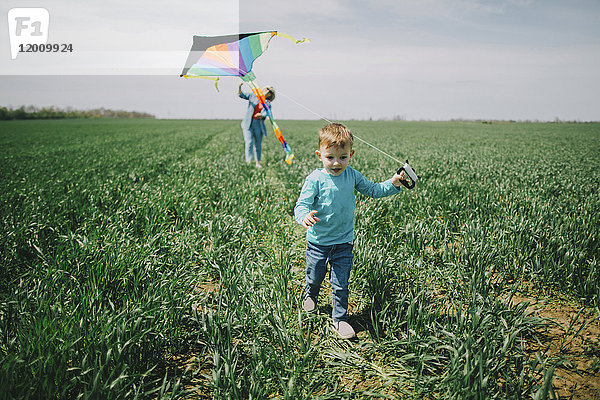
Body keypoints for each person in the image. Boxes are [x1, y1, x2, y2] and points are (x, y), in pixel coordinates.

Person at [294, 123, 407, 339]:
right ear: (320, 155)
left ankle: (340, 319)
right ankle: (311, 295)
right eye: (330, 158)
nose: (336, 163)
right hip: (318, 242)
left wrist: (393, 183)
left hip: (344, 242)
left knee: (340, 283)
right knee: (315, 276)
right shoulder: (315, 179)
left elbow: (373, 190)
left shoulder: (352, 176)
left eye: (343, 157)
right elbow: (301, 205)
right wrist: (304, 216)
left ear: (351, 154)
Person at [238, 83, 275, 168]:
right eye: (267, 89)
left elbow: (266, 114)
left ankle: (258, 162)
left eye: (269, 91)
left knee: (258, 145)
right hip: (248, 123)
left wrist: (261, 115)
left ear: (270, 95)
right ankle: (249, 162)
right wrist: (240, 87)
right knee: (249, 143)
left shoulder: (268, 104)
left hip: (258, 124)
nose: (267, 91)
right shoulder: (253, 96)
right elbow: (241, 95)